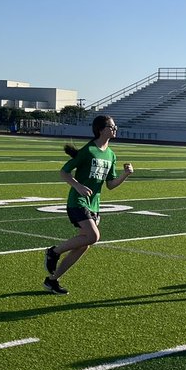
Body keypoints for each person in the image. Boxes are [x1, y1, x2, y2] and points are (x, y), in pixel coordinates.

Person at [42, 116, 134, 295]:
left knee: (83, 245)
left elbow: (110, 184)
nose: (115, 128)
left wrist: (125, 175)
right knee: (93, 236)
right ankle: (54, 251)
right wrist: (77, 185)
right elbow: (64, 171)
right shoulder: (89, 150)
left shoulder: (111, 154)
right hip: (78, 201)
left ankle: (52, 280)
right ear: (101, 129)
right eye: (112, 126)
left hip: (94, 205)